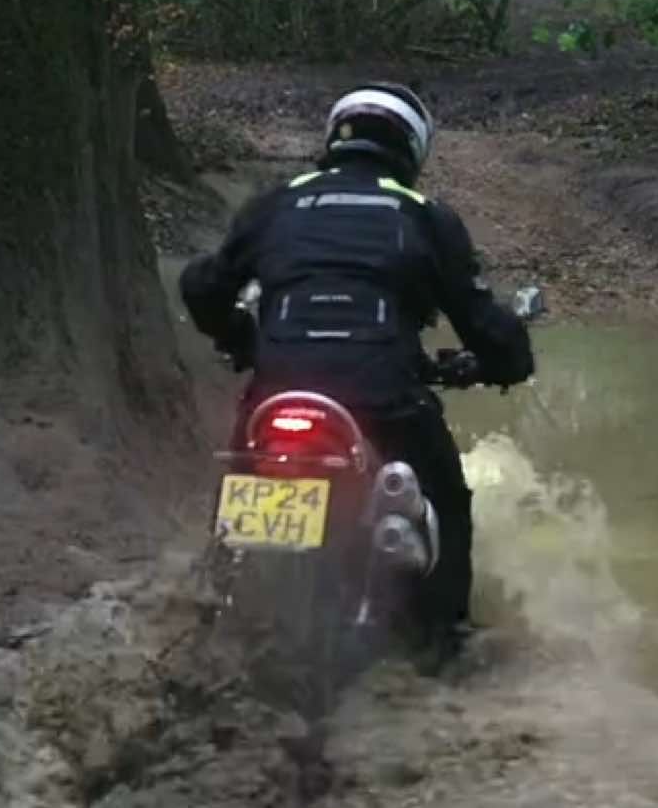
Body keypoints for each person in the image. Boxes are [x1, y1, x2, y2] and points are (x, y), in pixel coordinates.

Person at [179, 82, 534, 662]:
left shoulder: (277, 202)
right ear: (412, 149)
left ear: (334, 137)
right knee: (448, 499)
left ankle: (214, 607)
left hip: (278, 392)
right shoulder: (424, 216)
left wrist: (241, 339)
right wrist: (506, 363)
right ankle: (446, 650)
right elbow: (484, 323)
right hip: (384, 398)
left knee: (240, 478)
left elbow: (201, 284)